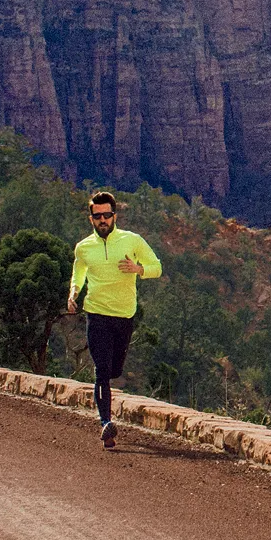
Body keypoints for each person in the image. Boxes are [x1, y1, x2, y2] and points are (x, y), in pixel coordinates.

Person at [66, 191, 162, 448]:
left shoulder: (132, 241)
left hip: (124, 316)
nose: (102, 220)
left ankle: (106, 415)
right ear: (91, 219)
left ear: (114, 216)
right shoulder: (84, 248)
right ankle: (105, 423)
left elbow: (157, 268)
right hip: (96, 313)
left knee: (115, 369)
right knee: (102, 371)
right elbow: (79, 273)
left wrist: (138, 269)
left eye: (107, 215)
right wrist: (74, 293)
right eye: (97, 216)